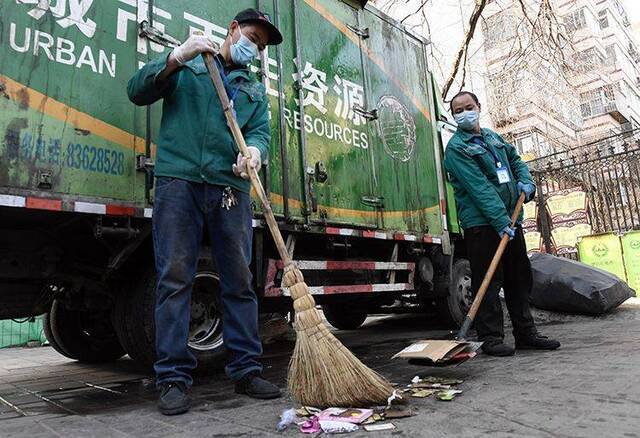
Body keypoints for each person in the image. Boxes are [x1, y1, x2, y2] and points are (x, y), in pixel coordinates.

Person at [127, 9, 283, 415]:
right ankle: (173, 379)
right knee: (175, 279)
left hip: (230, 189)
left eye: (262, 46)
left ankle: (246, 370)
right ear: (233, 30)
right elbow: (137, 90)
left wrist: (254, 153)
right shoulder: (192, 66)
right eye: (252, 36)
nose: (256, 47)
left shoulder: (252, 91)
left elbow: (261, 134)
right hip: (178, 184)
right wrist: (176, 56)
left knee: (239, 281)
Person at [443, 91, 560, 357]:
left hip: (510, 221)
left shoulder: (493, 138)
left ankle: (526, 333)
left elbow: (516, 162)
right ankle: (491, 337)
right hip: (483, 225)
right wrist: (500, 220)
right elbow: (479, 188)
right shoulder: (457, 149)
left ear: (479, 107)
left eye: (468, 107)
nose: (464, 113)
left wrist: (526, 182)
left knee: (519, 278)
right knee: (489, 281)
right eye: (458, 110)